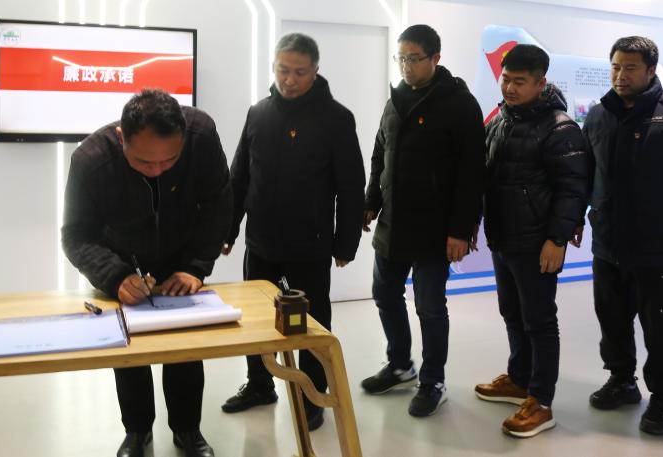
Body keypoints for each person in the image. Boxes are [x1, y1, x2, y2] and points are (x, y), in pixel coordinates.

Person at [62, 89, 232, 457]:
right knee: (129, 348)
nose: (157, 170)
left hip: (182, 253)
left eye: (170, 159)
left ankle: (187, 430)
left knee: (185, 346)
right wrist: (115, 276)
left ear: (183, 138)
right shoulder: (90, 160)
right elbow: (76, 235)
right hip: (121, 257)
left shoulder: (201, 135)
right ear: (121, 137)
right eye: (143, 162)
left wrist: (195, 266)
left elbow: (218, 203)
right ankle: (137, 432)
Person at [219, 33, 365, 431]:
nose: (290, 79)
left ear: (315, 71)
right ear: (274, 66)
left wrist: (345, 242)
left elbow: (351, 186)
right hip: (261, 241)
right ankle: (259, 384)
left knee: (311, 322)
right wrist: (227, 229)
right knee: (257, 318)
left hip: (309, 244)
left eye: (300, 72)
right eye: (283, 70)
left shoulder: (336, 119)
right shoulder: (258, 113)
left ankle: (312, 395)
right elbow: (240, 176)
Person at [581, 36, 663, 435]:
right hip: (608, 241)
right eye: (615, 67)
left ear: (651, 70)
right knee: (611, 316)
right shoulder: (599, 115)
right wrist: (576, 219)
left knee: (661, 324)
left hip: (658, 244)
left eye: (630, 68)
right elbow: (585, 174)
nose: (620, 76)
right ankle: (622, 380)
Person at [361, 24, 485, 417]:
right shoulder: (395, 99)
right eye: (401, 58)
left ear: (436, 58)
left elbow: (471, 173)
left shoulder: (460, 104)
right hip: (393, 222)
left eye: (414, 58)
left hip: (435, 227)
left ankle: (433, 380)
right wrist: (371, 201)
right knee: (384, 293)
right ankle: (400, 365)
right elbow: (380, 153)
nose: (406, 66)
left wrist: (460, 230)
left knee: (430, 306)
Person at [474, 44, 589, 437]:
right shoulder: (500, 120)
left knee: (539, 320)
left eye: (519, 82)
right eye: (506, 79)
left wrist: (557, 239)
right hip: (503, 237)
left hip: (537, 242)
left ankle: (541, 401)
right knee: (512, 312)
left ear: (541, 83)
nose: (509, 87)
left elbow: (572, 189)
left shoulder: (560, 128)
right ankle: (519, 378)